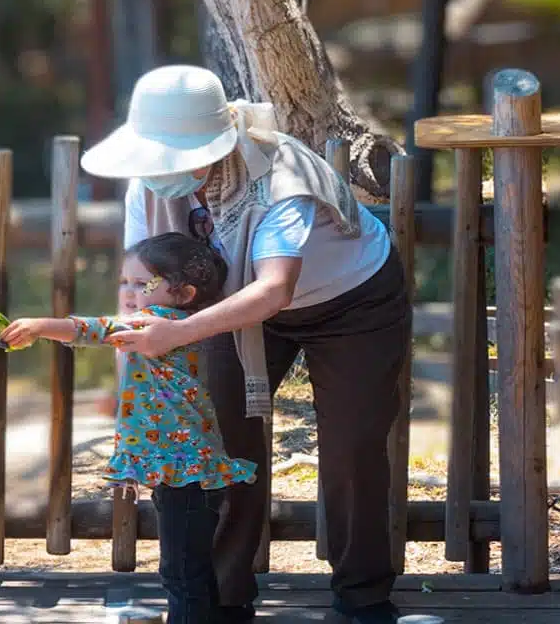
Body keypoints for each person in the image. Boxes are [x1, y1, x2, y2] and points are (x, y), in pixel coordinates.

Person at [76, 65, 411, 624]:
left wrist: (179, 333)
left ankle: (363, 599)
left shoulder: (280, 177)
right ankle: (225, 601)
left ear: (214, 145)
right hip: (223, 311)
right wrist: (131, 390)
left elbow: (274, 287)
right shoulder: (148, 187)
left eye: (171, 157)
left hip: (352, 301)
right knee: (219, 440)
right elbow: (141, 290)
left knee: (352, 445)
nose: (159, 171)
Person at [1, 232, 257, 624]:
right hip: (183, 470)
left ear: (183, 294)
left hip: (183, 471)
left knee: (181, 573)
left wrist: (39, 326)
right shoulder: (178, 322)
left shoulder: (156, 322)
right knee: (191, 569)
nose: (129, 291)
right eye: (125, 281)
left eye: (143, 284)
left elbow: (95, 329)